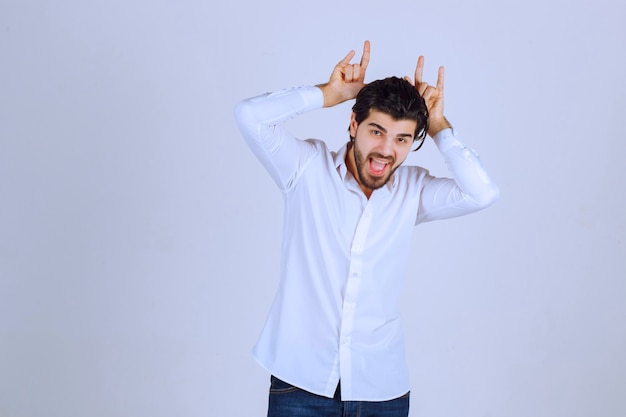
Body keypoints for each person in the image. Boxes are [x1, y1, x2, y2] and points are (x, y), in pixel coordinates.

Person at [234, 40, 499, 417]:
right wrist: (328, 94)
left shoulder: (414, 191)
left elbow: (483, 193)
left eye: (402, 139)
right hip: (300, 383)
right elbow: (248, 115)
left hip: (382, 390)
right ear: (354, 123)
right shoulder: (305, 169)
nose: (387, 150)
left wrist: (438, 125)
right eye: (377, 131)